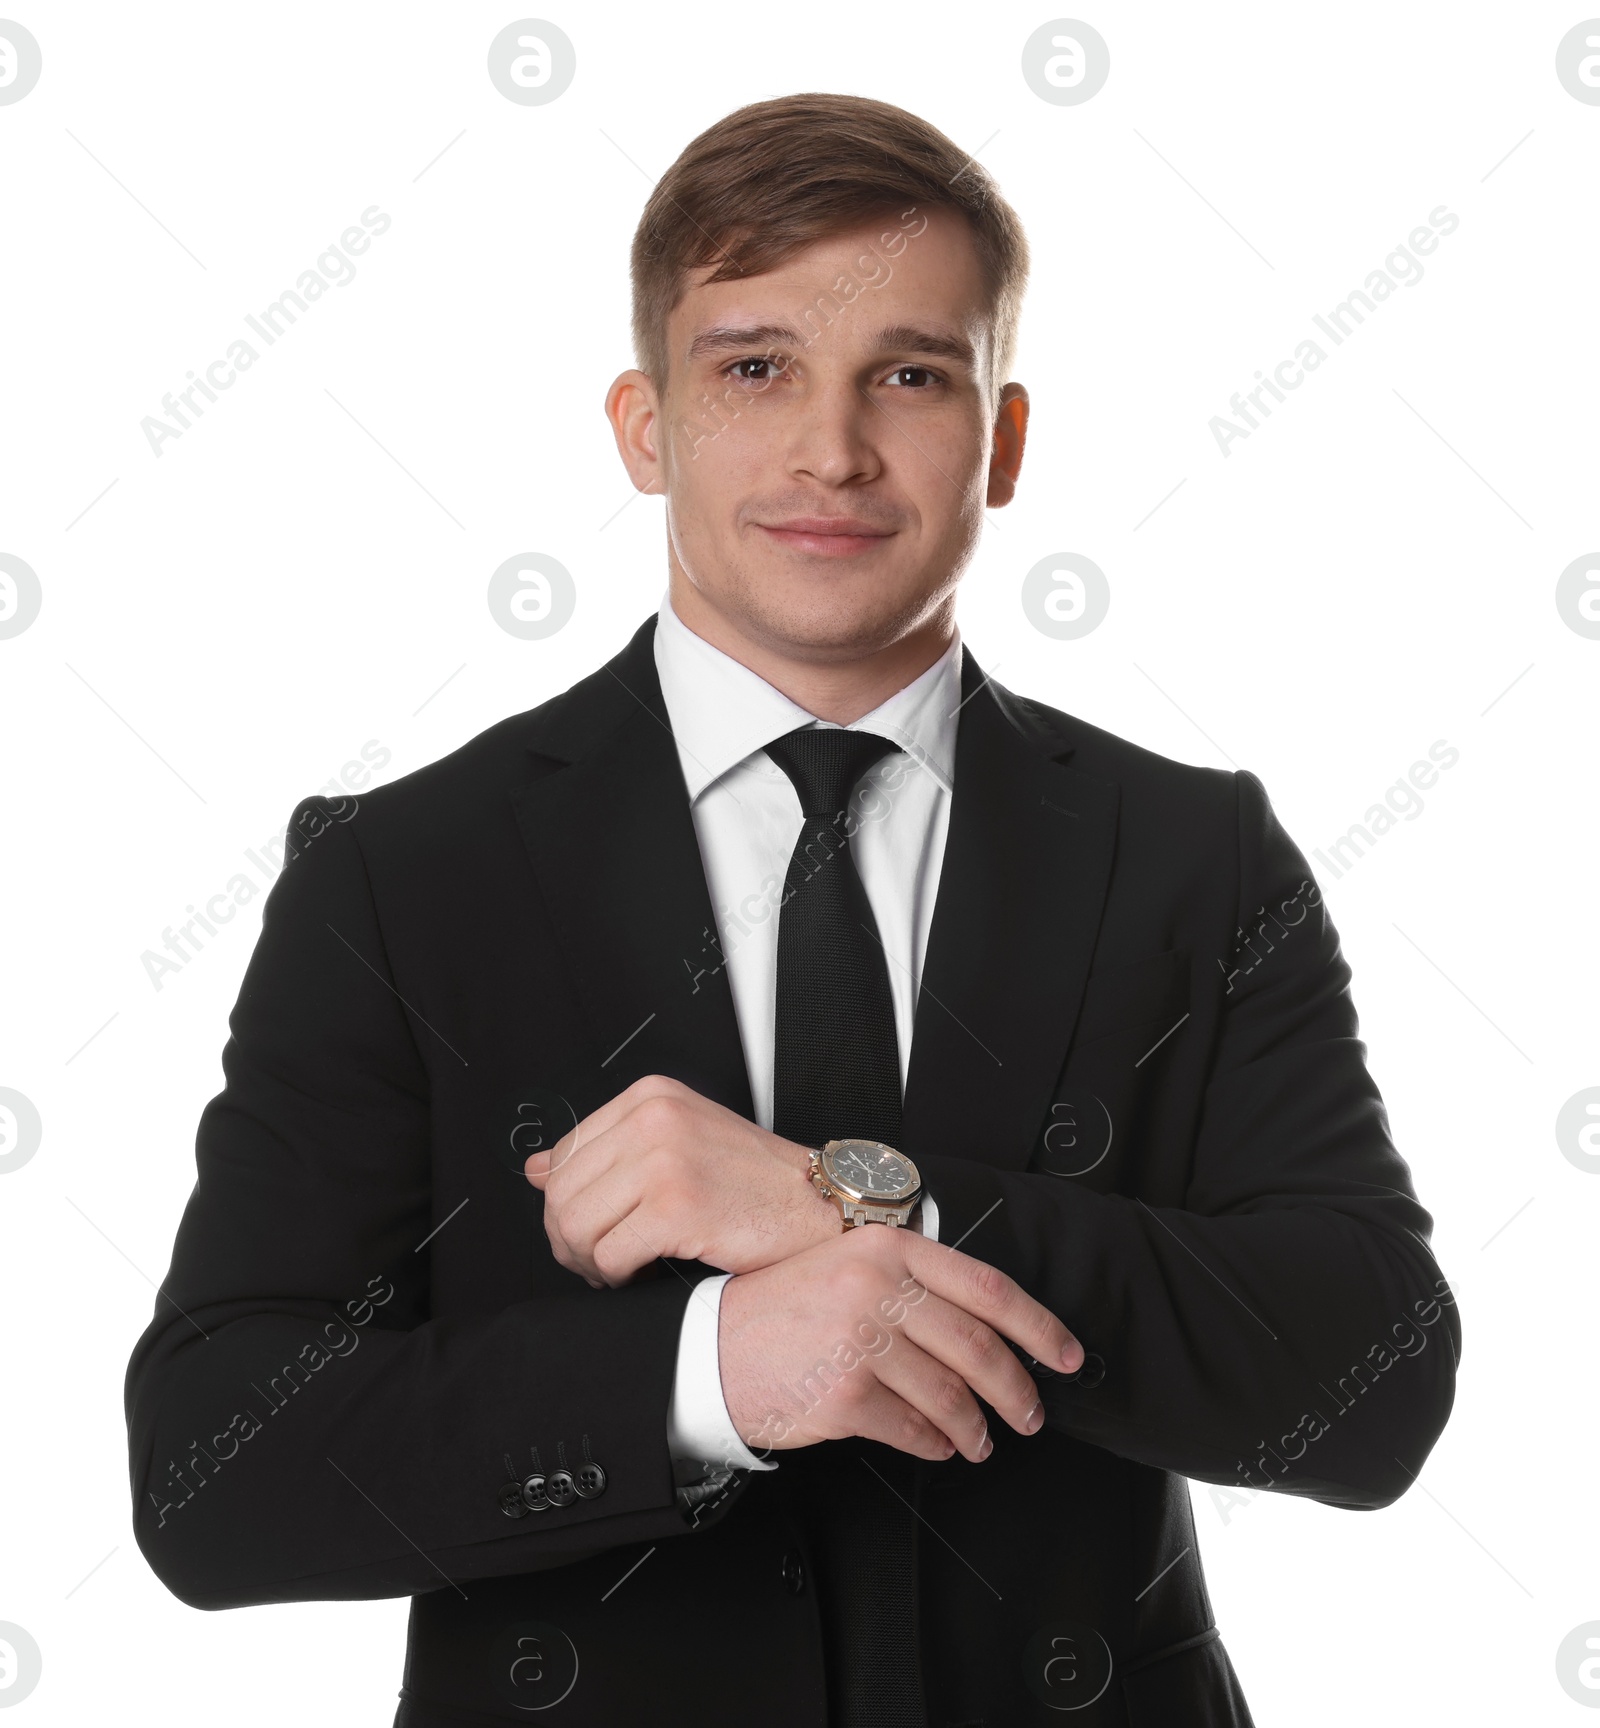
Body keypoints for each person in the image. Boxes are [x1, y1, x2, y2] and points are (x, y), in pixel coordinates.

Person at [124, 92, 1459, 1727]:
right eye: (754, 367)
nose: (832, 447)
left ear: (1005, 438)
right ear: (644, 425)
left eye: (909, 372)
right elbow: (213, 1468)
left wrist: (855, 1205)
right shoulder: (400, 876)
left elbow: (1373, 1379)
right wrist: (705, 1378)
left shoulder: (1191, 853)